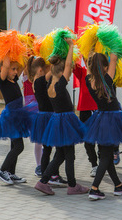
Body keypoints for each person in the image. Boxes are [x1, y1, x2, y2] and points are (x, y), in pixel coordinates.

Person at [34, 37, 89, 195]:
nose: (70, 75)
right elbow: (67, 65)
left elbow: (62, 65)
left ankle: (43, 182)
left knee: (60, 155)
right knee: (69, 155)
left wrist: (59, 49)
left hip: (58, 122)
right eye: (69, 72)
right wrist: (71, 46)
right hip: (65, 122)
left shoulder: (50, 85)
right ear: (62, 72)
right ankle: (72, 186)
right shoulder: (59, 84)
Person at [84, 52, 122, 200]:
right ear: (104, 67)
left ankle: (118, 185)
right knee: (105, 156)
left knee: (108, 155)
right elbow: (114, 58)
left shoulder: (88, 79)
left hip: (100, 119)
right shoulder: (107, 79)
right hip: (111, 121)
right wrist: (112, 45)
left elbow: (91, 65)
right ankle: (94, 188)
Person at [26, 56, 67, 187]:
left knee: (48, 148)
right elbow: (53, 71)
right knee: (52, 148)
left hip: (45, 117)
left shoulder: (37, 81)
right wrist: (57, 58)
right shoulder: (38, 81)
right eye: (46, 69)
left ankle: (48, 174)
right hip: (47, 118)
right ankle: (50, 174)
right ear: (40, 70)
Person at [0, 55, 29, 185]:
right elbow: (7, 64)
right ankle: (2, 170)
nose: (15, 72)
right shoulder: (2, 80)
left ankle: (11, 173)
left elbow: (23, 64)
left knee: (14, 145)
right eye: (13, 69)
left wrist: (25, 47)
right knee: (19, 146)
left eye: (16, 69)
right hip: (12, 117)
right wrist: (8, 49)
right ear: (4, 69)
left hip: (18, 117)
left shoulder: (14, 79)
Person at [73, 60, 99, 177]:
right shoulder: (81, 70)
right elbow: (72, 63)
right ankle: (94, 165)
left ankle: (105, 162)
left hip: (99, 109)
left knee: (102, 138)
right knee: (88, 140)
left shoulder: (101, 71)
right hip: (85, 110)